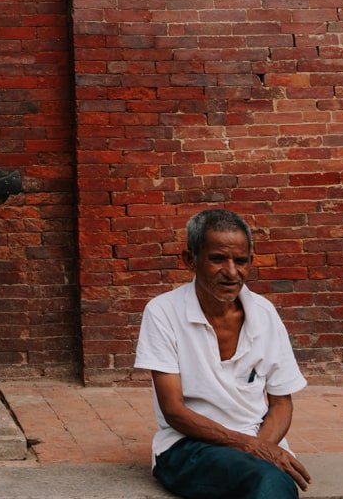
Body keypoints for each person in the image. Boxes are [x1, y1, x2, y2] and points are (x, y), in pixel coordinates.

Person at [134, 209, 311, 499]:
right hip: (187, 446)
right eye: (218, 259)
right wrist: (254, 449)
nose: (231, 272)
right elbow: (174, 411)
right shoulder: (163, 312)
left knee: (265, 479)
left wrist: (262, 446)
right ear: (190, 260)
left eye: (240, 261)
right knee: (265, 480)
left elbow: (281, 403)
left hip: (258, 443)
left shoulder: (265, 314)